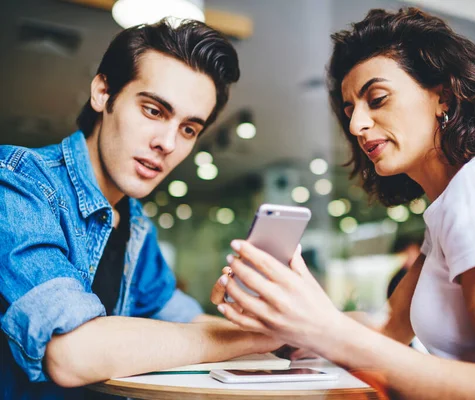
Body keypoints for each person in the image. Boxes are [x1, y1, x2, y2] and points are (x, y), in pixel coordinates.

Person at [211, 7, 475, 399]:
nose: (356, 125)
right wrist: (292, 322)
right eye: (350, 111)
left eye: (376, 99)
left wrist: (325, 328)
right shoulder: (450, 208)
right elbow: (389, 329)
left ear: (443, 99)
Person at [0, 19, 282, 400]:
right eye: (153, 110)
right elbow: (71, 353)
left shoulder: (136, 226)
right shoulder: (19, 182)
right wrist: (254, 338)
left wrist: (285, 329)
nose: (167, 143)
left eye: (188, 129)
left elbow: (182, 317)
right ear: (103, 92)